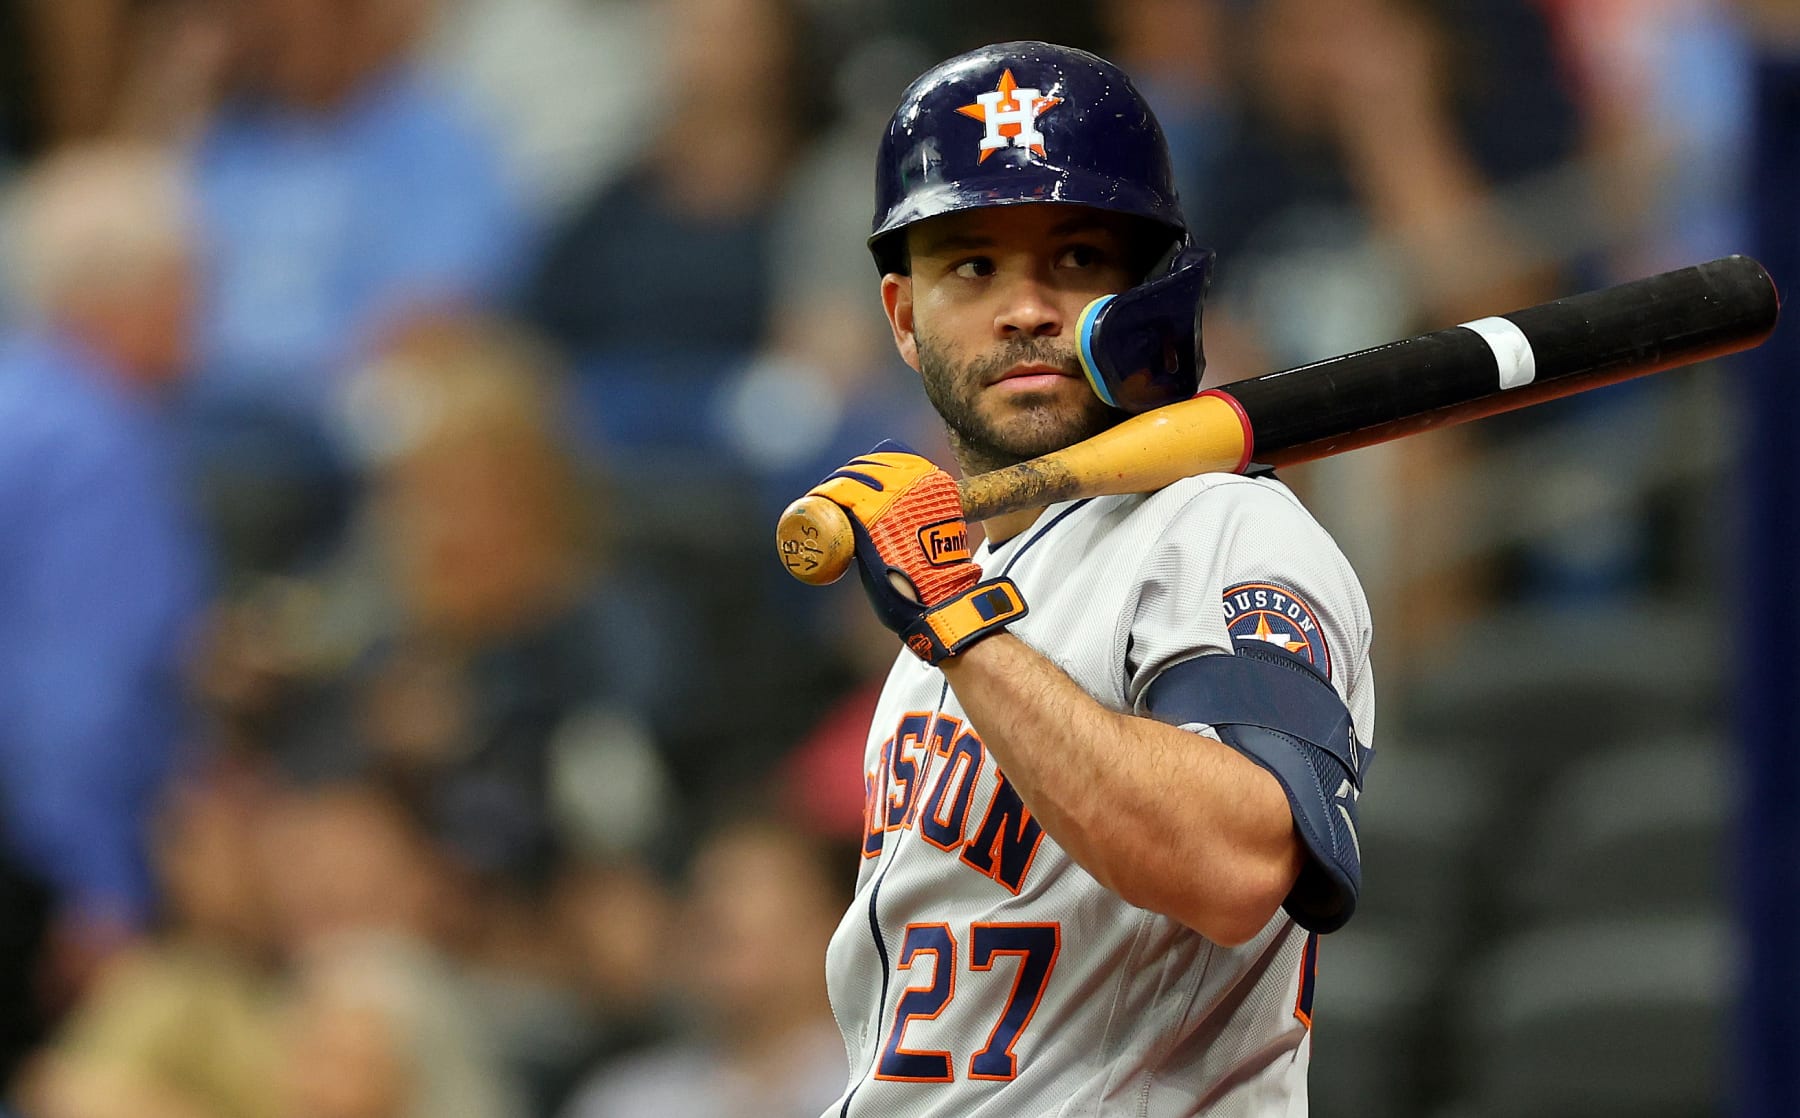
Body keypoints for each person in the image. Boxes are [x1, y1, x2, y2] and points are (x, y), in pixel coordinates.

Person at [792, 43, 1375, 1115]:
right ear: (902, 317)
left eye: (1072, 259)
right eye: (972, 266)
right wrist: (958, 618)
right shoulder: (954, 619)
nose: (1025, 310)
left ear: (1147, 292)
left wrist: (962, 623)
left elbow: (1240, 860)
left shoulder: (1220, 525)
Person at [0, 143, 209, 1080]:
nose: (205, 307)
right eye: (187, 279)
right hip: (30, 863)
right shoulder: (95, 442)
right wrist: (95, 885)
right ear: (117, 296)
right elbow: (73, 688)